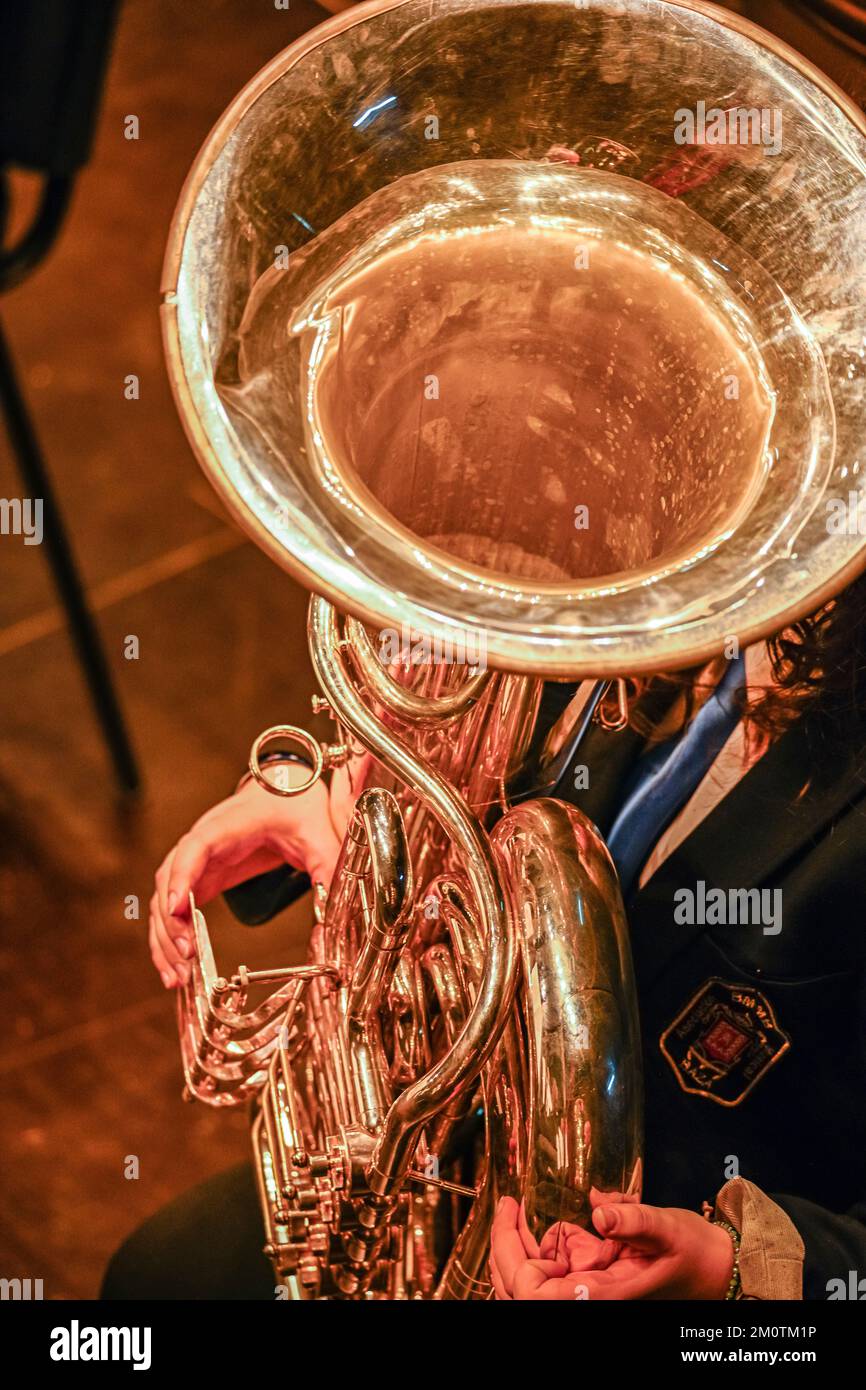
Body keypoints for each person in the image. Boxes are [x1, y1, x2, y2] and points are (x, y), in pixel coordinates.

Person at [104, 574, 866, 1300]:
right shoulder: (695, 555)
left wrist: (733, 1270)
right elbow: (469, 730)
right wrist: (320, 794)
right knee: (156, 1275)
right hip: (427, 1161)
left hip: (660, 1246)